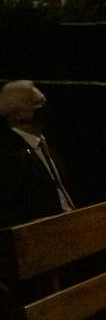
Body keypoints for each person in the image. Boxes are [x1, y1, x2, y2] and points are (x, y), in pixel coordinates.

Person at [0, 80, 76, 227]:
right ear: (18, 115)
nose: (44, 108)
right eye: (37, 104)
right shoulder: (8, 156)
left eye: (44, 101)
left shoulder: (50, 144)